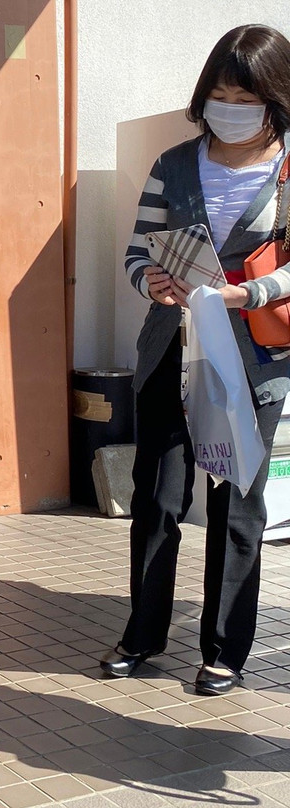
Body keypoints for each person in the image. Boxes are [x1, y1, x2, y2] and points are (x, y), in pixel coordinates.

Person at [100, 24, 290, 696]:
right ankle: (143, 633)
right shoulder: (174, 163)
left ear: (275, 98)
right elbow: (136, 250)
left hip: (251, 357)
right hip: (170, 349)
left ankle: (224, 648)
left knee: (237, 500)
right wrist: (147, 280)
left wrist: (248, 292)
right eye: (217, 93)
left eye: (244, 95)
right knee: (157, 494)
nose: (227, 106)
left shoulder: (289, 168)